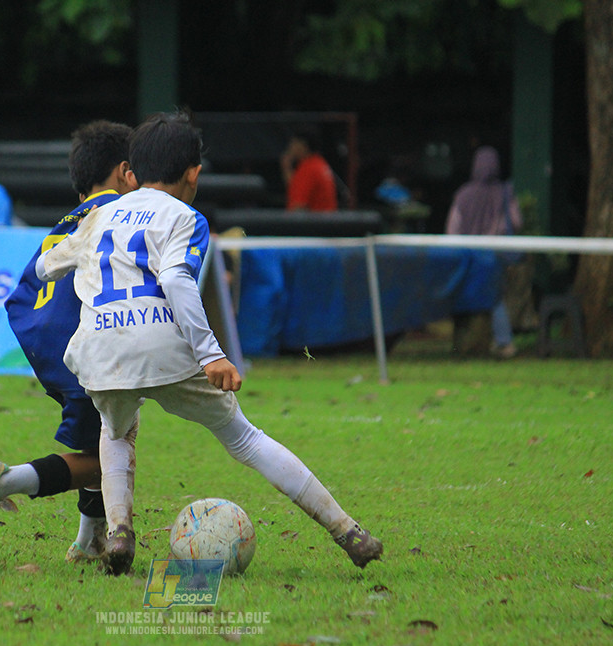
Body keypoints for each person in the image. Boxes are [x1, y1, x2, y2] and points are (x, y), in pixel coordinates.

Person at [35, 110, 382, 575]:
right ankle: (347, 530)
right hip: (162, 344)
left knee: (115, 432)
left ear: (132, 173)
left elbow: (45, 267)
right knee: (244, 438)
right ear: (194, 174)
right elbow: (178, 279)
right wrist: (212, 353)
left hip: (101, 351)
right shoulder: (187, 217)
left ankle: (119, 533)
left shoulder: (99, 215)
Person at [0, 121, 137, 562]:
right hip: (83, 344)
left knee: (98, 442)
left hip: (42, 337)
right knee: (110, 456)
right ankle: (5, 480)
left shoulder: (69, 219)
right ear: (123, 172)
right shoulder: (118, 216)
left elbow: (28, 285)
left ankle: (87, 543)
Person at [446, 146, 523, 359]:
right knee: (495, 298)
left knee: (463, 296)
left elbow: (452, 228)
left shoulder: (463, 194)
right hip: (493, 256)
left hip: (466, 257)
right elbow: (516, 222)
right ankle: (504, 342)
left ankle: (461, 345)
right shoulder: (505, 193)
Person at [280, 126, 339, 212]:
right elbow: (296, 186)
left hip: (315, 223)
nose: (290, 147)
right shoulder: (319, 163)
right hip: (326, 222)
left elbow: (299, 206)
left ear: (303, 146)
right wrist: (286, 168)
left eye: (294, 143)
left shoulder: (308, 169)